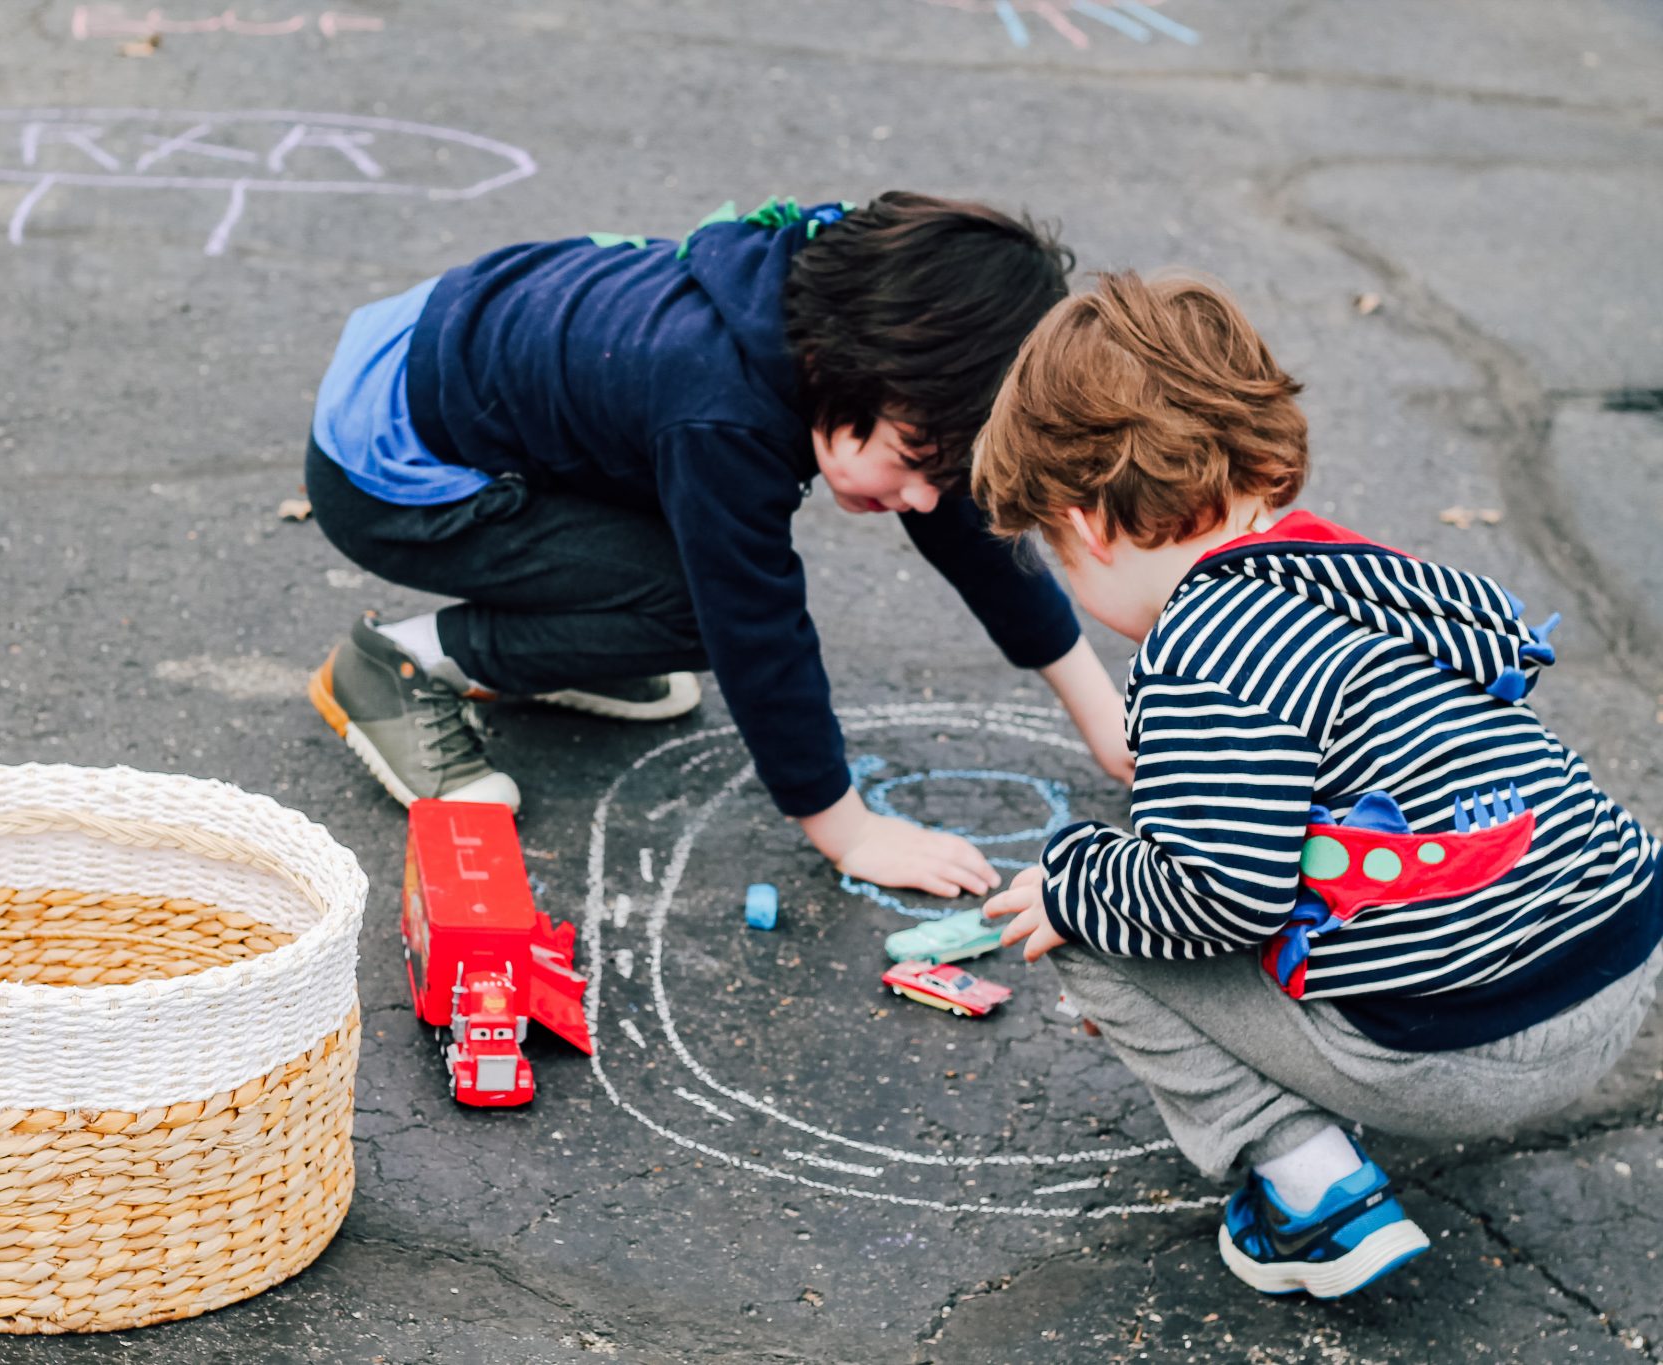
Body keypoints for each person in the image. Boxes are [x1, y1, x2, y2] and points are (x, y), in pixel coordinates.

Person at [975, 271, 1662, 1298]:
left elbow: (1218, 895)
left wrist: (1084, 887)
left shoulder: (1202, 648)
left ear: (1088, 525)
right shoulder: (1352, 576)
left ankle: (1312, 1199)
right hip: (1616, 962)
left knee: (1077, 909)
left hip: (1469, 1048)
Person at [302, 192, 1133, 897]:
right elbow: (754, 624)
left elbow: (965, 528)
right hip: (391, 475)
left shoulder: (834, 304)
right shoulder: (721, 411)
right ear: (859, 367)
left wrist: (1102, 715)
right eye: (916, 462)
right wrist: (847, 831)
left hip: (457, 373)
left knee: (694, 576)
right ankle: (405, 664)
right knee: (698, 610)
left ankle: (576, 633)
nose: (920, 497)